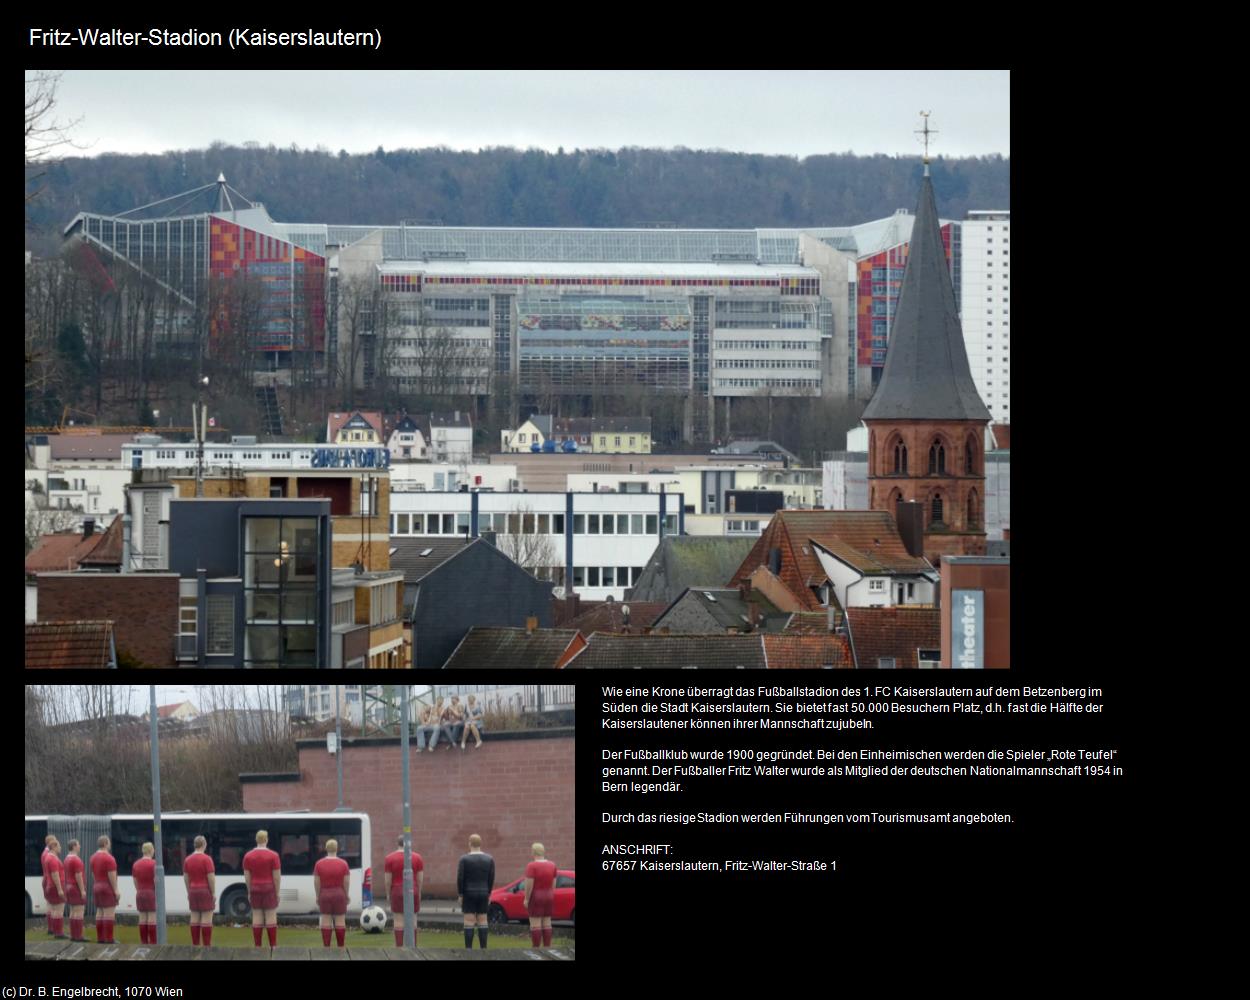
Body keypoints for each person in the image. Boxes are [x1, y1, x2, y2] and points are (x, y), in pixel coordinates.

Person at [243, 830, 282, 949]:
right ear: (266, 840)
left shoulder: (248, 856)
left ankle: (258, 946)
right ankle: (273, 946)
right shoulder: (273, 855)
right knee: (270, 916)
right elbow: (276, 877)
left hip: (255, 888)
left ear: (256, 840)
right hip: (269, 888)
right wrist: (277, 892)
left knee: (257, 916)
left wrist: (249, 891)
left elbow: (247, 877)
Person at [383, 834, 424, 948]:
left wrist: (388, 894)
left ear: (398, 843)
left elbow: (387, 880)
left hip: (396, 890)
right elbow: (420, 878)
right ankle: (413, 946)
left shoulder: (389, 858)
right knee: (413, 919)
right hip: (413, 889)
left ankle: (399, 947)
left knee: (398, 919)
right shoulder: (417, 857)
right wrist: (419, 891)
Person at [456, 833, 495, 949]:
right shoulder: (489, 859)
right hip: (484, 892)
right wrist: (489, 893)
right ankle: (483, 948)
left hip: (468, 893)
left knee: (469, 921)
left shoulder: (464, 859)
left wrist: (460, 894)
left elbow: (460, 878)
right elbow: (491, 877)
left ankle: (469, 949)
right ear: (480, 843)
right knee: (483, 920)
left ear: (469, 843)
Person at [313, 839, 351, 948]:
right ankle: (341, 947)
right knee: (340, 920)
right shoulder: (343, 864)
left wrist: (318, 895)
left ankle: (326, 947)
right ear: (337, 848)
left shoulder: (319, 864)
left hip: (324, 894)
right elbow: (346, 881)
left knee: (325, 920)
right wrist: (346, 894)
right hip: (339, 893)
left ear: (326, 848)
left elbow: (316, 882)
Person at [183, 836, 216, 947]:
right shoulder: (207, 859)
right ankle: (206, 946)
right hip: (205, 890)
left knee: (194, 916)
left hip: (193, 890)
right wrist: (213, 892)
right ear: (204, 844)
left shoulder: (187, 859)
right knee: (207, 917)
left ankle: (195, 945)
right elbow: (211, 877)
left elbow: (186, 878)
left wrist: (189, 891)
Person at [524, 842, 558, 949]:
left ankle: (536, 948)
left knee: (535, 924)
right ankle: (547, 947)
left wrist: (526, 899)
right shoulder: (552, 865)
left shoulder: (531, 866)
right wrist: (550, 893)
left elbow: (529, 885)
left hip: (536, 896)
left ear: (533, 852)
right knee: (547, 922)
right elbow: (554, 884)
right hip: (549, 895)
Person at [90, 835, 119, 944]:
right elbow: (111, 875)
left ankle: (100, 938)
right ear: (106, 843)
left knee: (100, 912)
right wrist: (116, 890)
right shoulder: (109, 858)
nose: (110, 844)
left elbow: (93, 873)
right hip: (106, 887)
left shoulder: (92, 857)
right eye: (109, 842)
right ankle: (109, 938)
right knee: (109, 913)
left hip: (97, 885)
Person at [132, 843, 157, 945]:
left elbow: (135, 881)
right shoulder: (154, 864)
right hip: (151, 892)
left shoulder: (136, 864)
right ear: (151, 850)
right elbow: (156, 881)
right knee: (151, 917)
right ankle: (153, 942)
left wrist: (139, 890)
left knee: (142, 917)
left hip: (140, 892)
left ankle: (144, 941)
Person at [62, 839, 87, 942]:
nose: (80, 846)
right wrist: (82, 890)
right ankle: (78, 936)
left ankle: (73, 935)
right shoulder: (76, 860)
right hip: (75, 887)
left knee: (72, 911)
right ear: (74, 846)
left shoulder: (66, 858)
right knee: (79, 911)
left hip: (68, 886)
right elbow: (78, 876)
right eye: (78, 845)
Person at [44, 837, 66, 939]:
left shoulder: (48, 857)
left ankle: (56, 931)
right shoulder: (52, 859)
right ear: (53, 847)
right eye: (59, 846)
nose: (61, 848)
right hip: (55, 886)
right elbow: (55, 874)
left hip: (50, 886)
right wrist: (60, 889)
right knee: (59, 910)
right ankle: (59, 933)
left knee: (54, 910)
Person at [41, 834, 56, 935]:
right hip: (49, 880)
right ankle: (53, 928)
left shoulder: (44, 853)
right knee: (53, 905)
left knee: (50, 904)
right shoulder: (48, 854)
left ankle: (51, 928)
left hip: (46, 879)